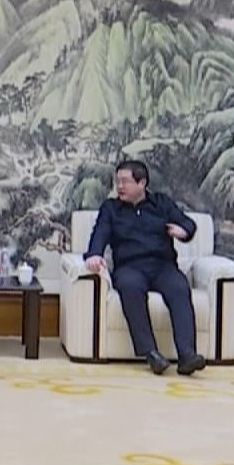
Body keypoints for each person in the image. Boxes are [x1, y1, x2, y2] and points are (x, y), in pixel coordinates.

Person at [84, 159, 207, 376]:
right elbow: (99, 233)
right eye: (117, 181)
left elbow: (188, 224)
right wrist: (94, 254)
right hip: (129, 267)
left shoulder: (161, 203)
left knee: (179, 287)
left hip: (162, 266)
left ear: (142, 183)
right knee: (130, 288)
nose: (120, 186)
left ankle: (187, 355)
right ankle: (151, 353)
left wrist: (184, 232)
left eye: (125, 181)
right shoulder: (111, 208)